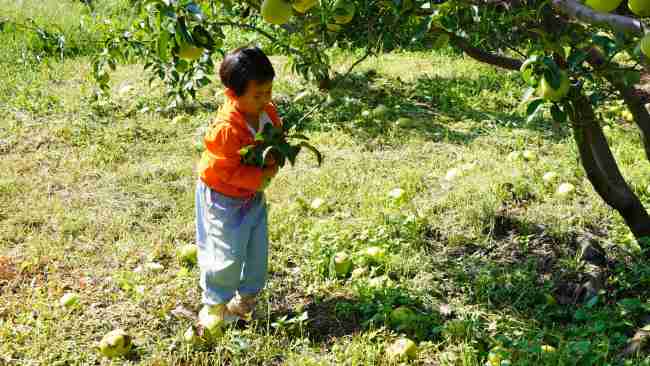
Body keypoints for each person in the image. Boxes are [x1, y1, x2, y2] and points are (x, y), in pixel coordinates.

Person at [194, 46, 280, 329]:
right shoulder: (226, 129)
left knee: (256, 250)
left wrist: (277, 155)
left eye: (268, 91)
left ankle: (244, 301)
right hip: (224, 197)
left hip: (252, 194)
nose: (266, 99)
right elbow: (225, 170)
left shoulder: (267, 113)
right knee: (226, 253)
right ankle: (215, 304)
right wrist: (261, 177)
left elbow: (276, 140)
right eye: (258, 95)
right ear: (233, 93)